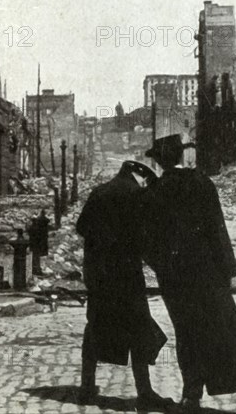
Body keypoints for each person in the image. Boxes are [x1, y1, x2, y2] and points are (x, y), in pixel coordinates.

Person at [142, 134, 236, 412]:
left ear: (159, 161)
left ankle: (191, 393)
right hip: (208, 273)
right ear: (182, 157)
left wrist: (161, 266)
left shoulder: (154, 192)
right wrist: (227, 270)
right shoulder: (202, 183)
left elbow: (146, 240)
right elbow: (217, 229)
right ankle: (223, 383)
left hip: (174, 277)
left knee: (186, 332)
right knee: (217, 327)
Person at [75, 161, 173, 410]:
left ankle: (87, 386)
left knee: (96, 326)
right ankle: (145, 392)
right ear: (137, 175)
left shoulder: (100, 192)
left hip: (99, 274)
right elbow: (144, 238)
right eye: (145, 179)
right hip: (125, 274)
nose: (146, 184)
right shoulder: (135, 195)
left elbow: (81, 227)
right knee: (138, 329)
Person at [27, 209, 50, 275]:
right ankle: (37, 269)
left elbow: (29, 231)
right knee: (37, 257)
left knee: (35, 256)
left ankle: (35, 269)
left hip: (34, 243)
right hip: (38, 243)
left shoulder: (32, 227)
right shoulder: (39, 226)